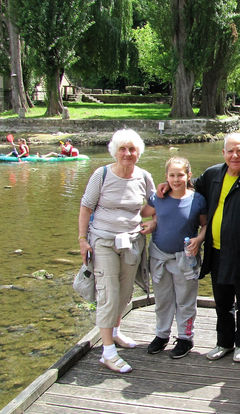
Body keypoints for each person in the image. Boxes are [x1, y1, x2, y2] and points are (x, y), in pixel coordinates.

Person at [159, 133, 240, 363]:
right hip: (217, 253)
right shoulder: (213, 175)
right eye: (230, 151)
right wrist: (168, 186)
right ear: (223, 153)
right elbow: (188, 188)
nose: (235, 155)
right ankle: (224, 342)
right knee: (222, 303)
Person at [78, 129, 155, 373]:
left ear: (138, 153)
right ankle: (108, 352)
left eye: (132, 149)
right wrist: (82, 239)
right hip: (102, 240)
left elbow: (153, 206)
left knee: (124, 291)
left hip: (132, 240)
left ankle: (116, 332)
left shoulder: (143, 176)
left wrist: (154, 222)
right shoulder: (101, 175)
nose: (127, 153)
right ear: (115, 151)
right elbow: (86, 207)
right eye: (123, 149)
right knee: (108, 292)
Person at [141, 157, 207, 359]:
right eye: (172, 175)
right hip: (159, 255)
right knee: (162, 299)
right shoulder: (158, 197)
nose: (176, 179)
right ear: (166, 177)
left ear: (188, 175)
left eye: (180, 175)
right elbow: (145, 213)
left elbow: (205, 224)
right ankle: (162, 334)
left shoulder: (197, 200)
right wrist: (153, 222)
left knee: (185, 299)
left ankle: (185, 337)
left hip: (185, 257)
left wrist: (199, 239)